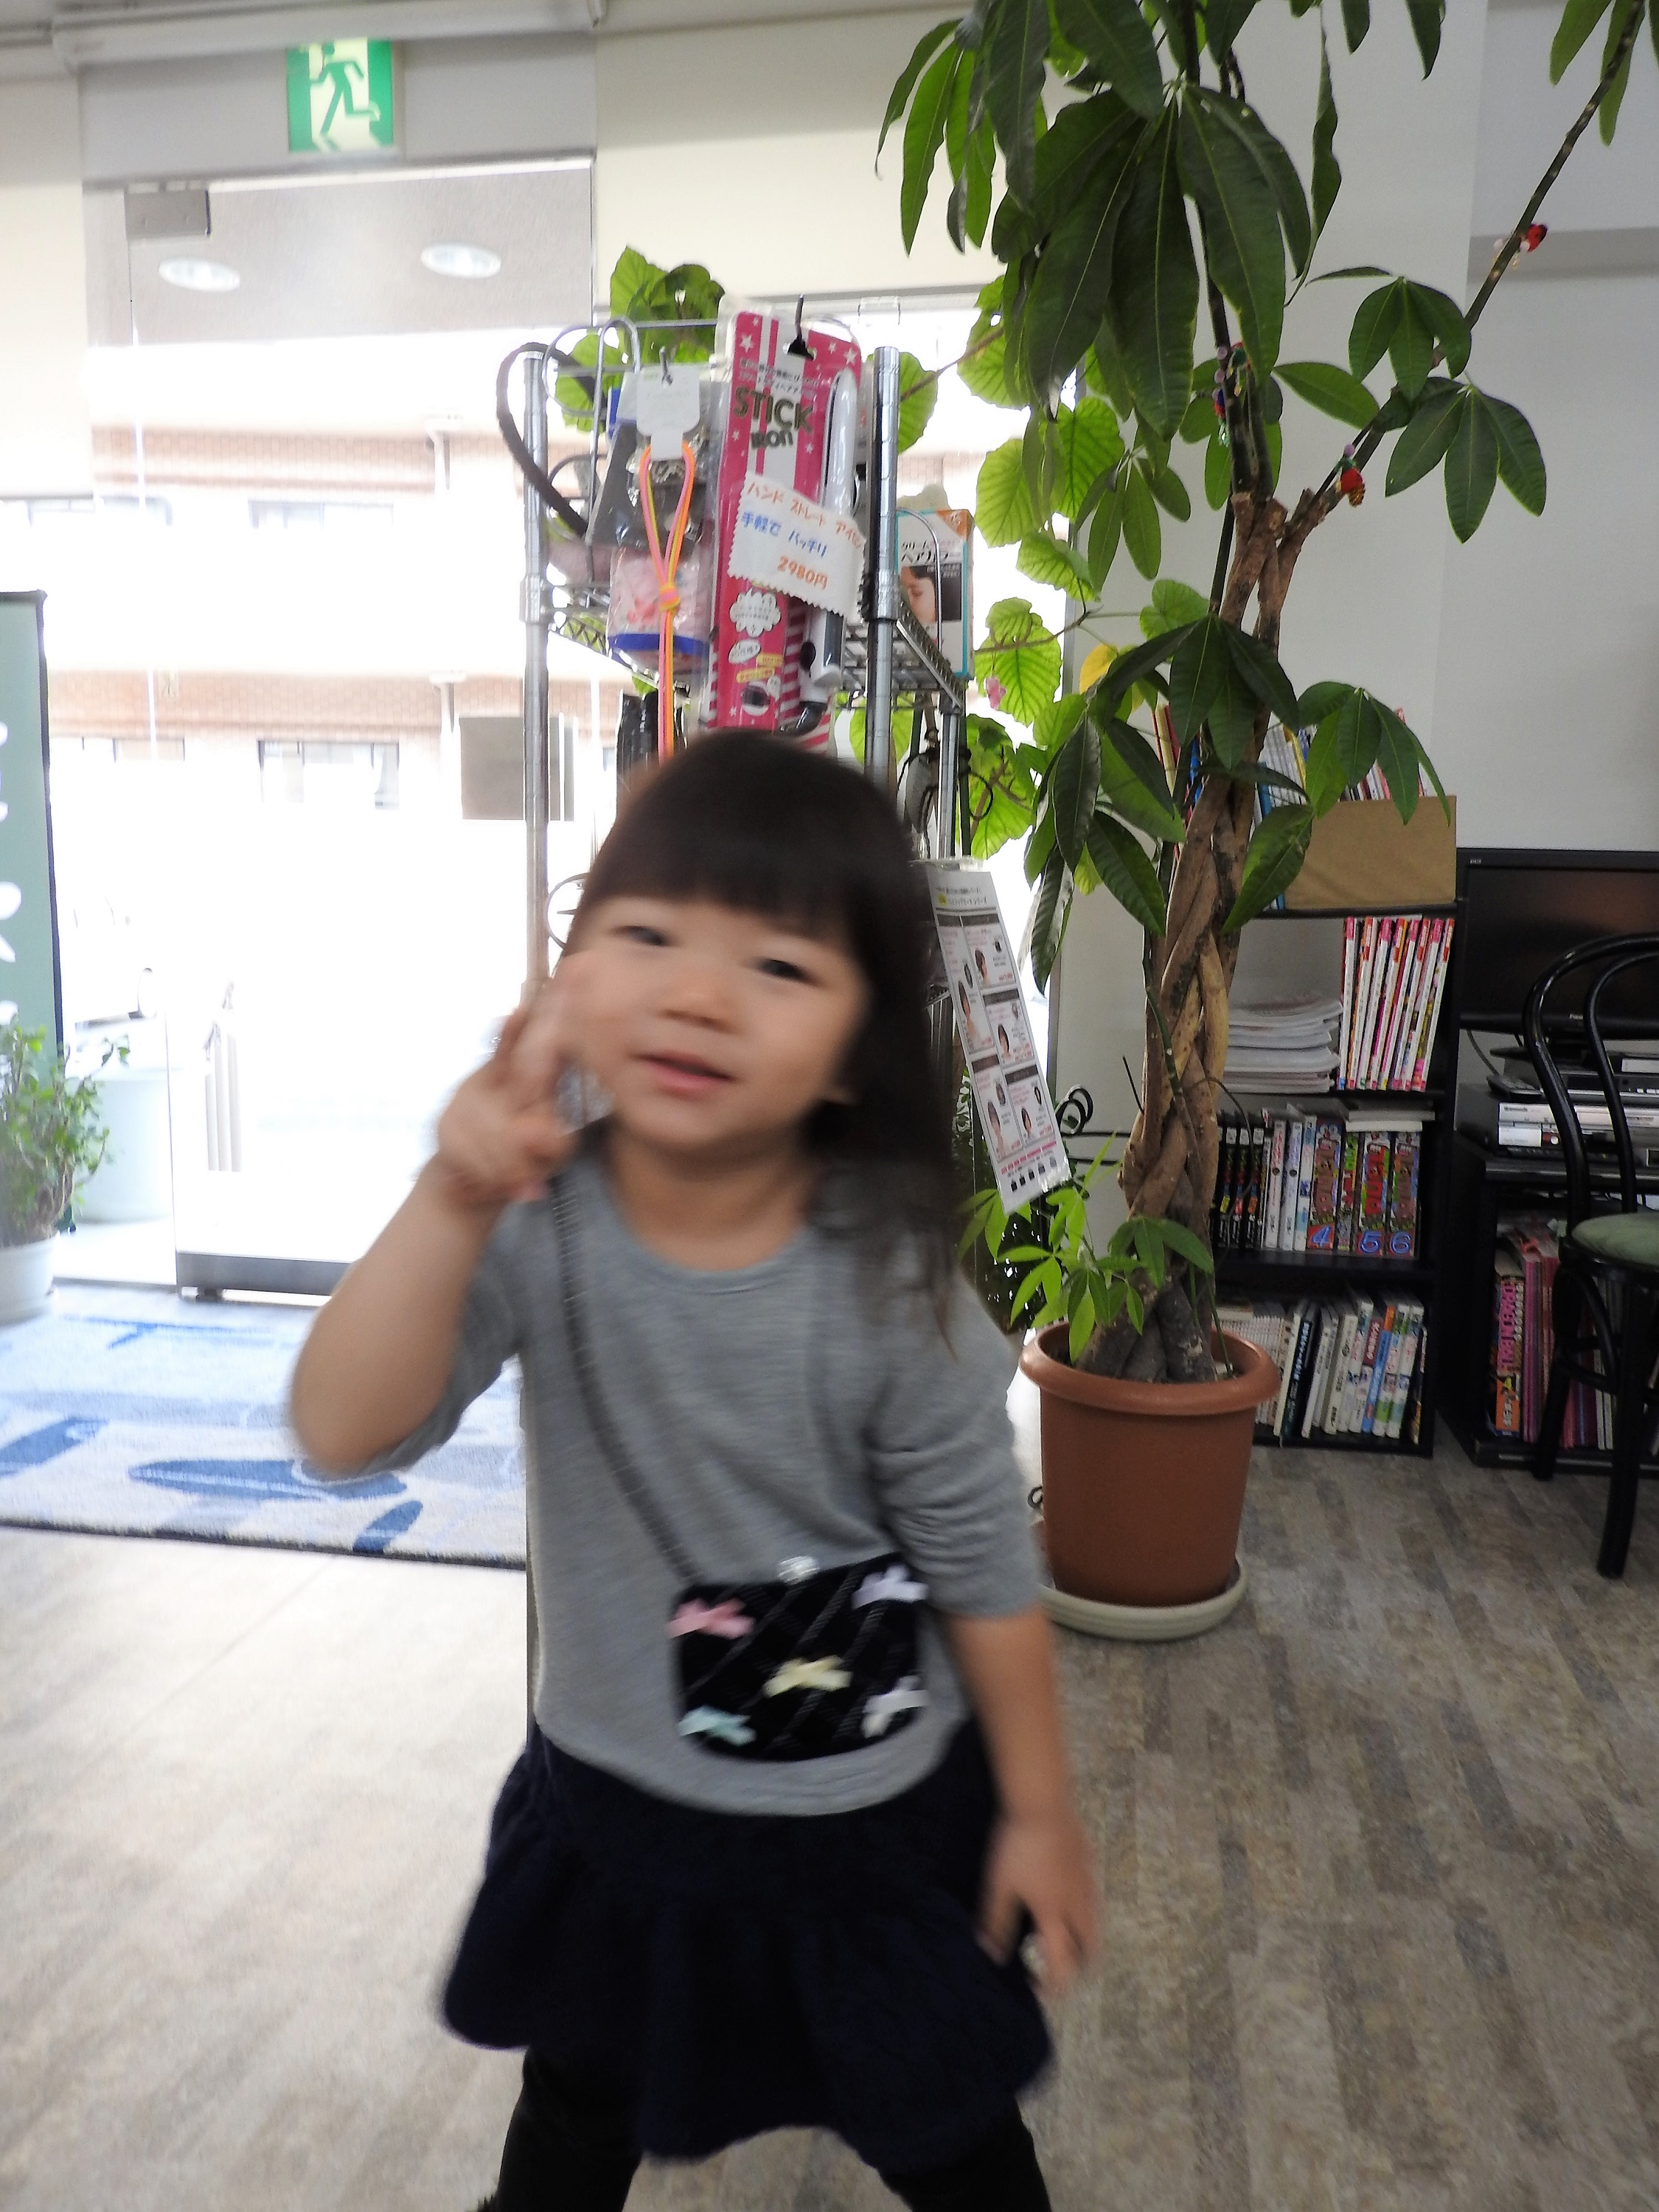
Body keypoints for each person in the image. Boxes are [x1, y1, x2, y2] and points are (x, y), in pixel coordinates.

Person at [291, 733, 1096, 2212]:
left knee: (949, 2132)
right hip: (618, 1826)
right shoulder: (529, 1223)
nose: (699, 994)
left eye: (779, 965)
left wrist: (1037, 1809)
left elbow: (985, 1563)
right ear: (568, 977)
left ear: (857, 1048)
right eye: (647, 933)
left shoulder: (890, 1284)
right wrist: (452, 1190)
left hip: (867, 1841)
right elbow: (340, 1431)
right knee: (574, 2121)